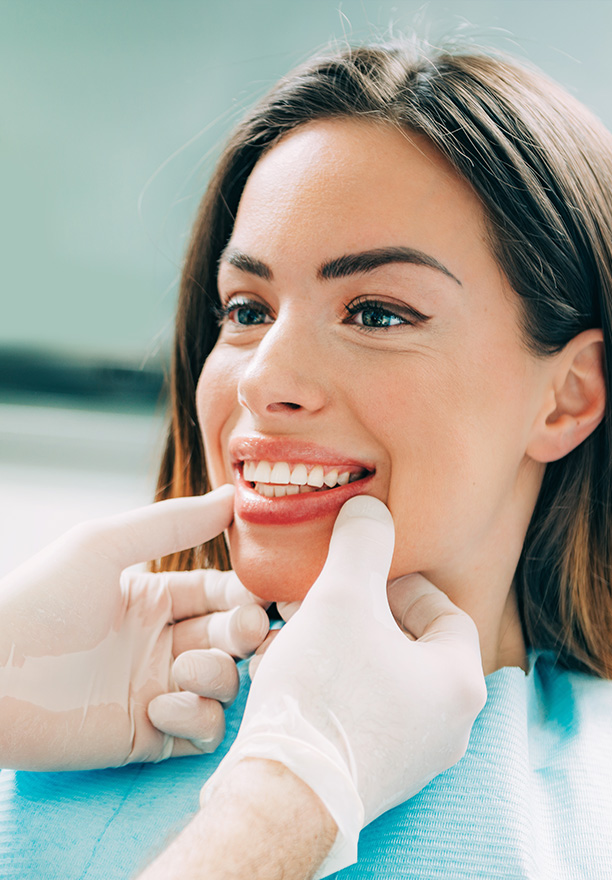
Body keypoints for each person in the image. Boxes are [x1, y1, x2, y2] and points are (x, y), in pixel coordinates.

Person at [2, 36, 612, 880]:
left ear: (568, 395)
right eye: (246, 309)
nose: (263, 379)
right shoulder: (37, 741)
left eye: (377, 314)